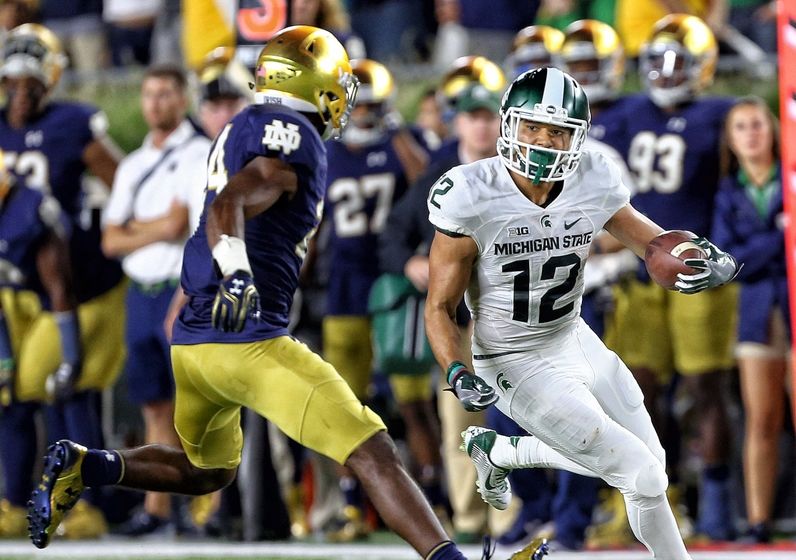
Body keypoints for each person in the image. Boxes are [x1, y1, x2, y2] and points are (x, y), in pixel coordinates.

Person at [26, 25, 546, 560]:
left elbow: (230, 201)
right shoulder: (289, 132)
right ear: (314, 84)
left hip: (195, 343)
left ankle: (87, 465)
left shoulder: (243, 124)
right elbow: (232, 199)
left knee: (205, 471)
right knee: (373, 450)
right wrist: (237, 272)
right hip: (248, 337)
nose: (345, 96)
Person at [423, 66, 740, 560]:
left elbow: (650, 241)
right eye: (532, 127)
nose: (543, 142)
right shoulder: (470, 194)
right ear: (510, 125)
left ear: (579, 137)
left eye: (558, 131)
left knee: (650, 465)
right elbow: (440, 306)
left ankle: (503, 452)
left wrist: (700, 257)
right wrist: (456, 370)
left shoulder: (593, 176)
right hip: (510, 357)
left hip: (572, 336)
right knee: (638, 472)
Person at [606, 14, 739, 541]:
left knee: (706, 387)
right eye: (655, 62)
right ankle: (657, 499)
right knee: (640, 391)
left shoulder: (720, 115)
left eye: (675, 63)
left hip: (699, 271)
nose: (662, 73)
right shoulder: (621, 113)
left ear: (703, 67)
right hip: (638, 274)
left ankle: (718, 504)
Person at [0, 22, 123, 540]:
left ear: (50, 81)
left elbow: (123, 181)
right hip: (14, 283)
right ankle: (12, 501)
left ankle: (87, 506)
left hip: (70, 281)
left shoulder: (73, 123)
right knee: (10, 395)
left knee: (60, 388)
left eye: (32, 84)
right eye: (14, 83)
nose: (21, 95)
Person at [319, 57, 432, 541]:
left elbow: (428, 181)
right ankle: (349, 508)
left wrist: (396, 130)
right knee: (344, 404)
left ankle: (434, 498)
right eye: (356, 106)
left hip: (394, 283)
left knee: (412, 399)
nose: (363, 115)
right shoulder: (324, 151)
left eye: (372, 107)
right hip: (343, 287)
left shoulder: (404, 146)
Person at [101, 64, 211, 536]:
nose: (155, 104)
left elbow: (188, 228)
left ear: (182, 99)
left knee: (198, 404)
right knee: (154, 408)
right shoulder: (133, 163)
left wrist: (135, 231)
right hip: (140, 293)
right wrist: (155, 228)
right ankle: (159, 508)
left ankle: (206, 507)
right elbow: (110, 240)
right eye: (149, 94)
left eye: (165, 94)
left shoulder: (198, 152)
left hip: (176, 289)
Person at [710, 96, 787, 544]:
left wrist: (759, 248)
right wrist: (779, 235)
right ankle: (758, 521)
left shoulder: (790, 177)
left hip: (788, 303)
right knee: (761, 420)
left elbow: (742, 254)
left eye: (758, 124)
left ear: (774, 130)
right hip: (757, 312)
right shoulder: (728, 190)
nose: (752, 133)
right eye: (741, 127)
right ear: (731, 141)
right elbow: (729, 262)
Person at [0, 158, 78, 538]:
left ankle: (49, 504)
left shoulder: (29, 208)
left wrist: (71, 354)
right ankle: (14, 502)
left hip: (33, 313)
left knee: (27, 398)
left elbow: (59, 284)